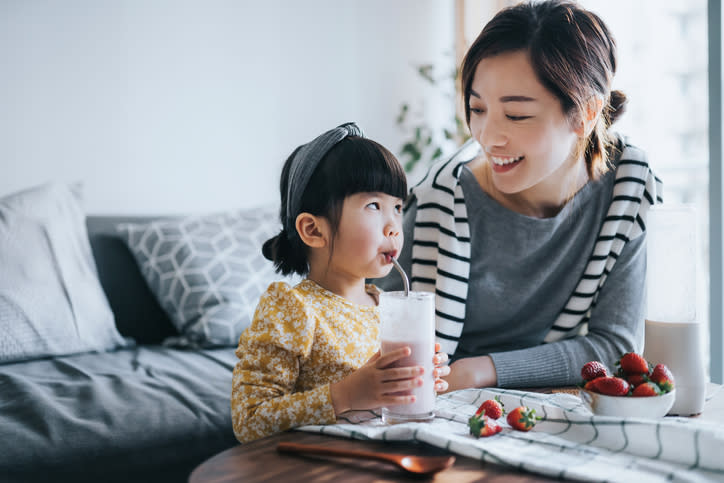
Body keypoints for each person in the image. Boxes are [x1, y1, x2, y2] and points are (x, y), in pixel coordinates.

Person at [376, 0, 662, 390]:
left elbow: (616, 347)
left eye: (516, 115)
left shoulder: (629, 188)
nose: (488, 137)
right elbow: (375, 344)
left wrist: (479, 370)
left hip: (547, 402)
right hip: (446, 406)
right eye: (477, 108)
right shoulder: (438, 204)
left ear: (586, 114)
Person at [231, 123, 450, 444]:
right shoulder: (292, 309)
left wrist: (421, 379)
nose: (394, 226)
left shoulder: (386, 306)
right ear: (313, 230)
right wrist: (345, 394)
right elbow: (248, 420)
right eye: (373, 205)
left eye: (398, 208)